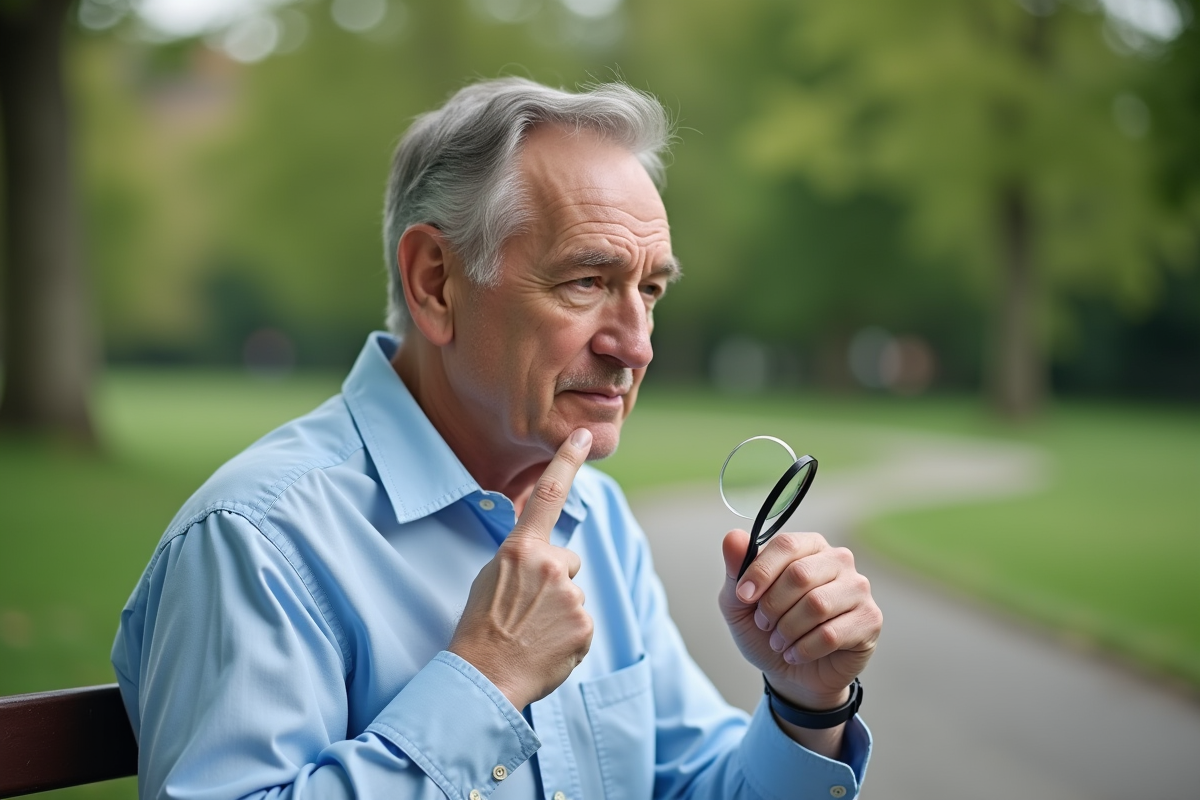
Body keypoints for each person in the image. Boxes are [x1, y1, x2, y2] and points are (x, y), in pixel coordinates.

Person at [112, 78, 883, 800]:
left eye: (649, 290)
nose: (636, 345)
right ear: (435, 282)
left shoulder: (598, 520)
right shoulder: (255, 541)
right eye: (586, 281)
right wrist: (486, 680)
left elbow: (689, 783)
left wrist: (805, 703)